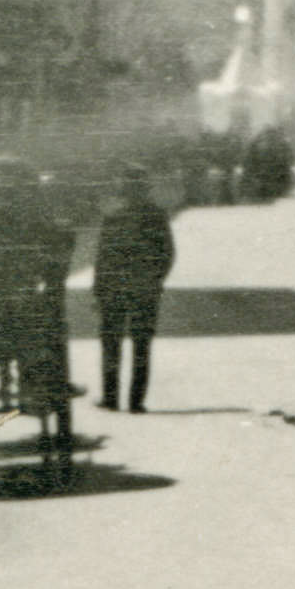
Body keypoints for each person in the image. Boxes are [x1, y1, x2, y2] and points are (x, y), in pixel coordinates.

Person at [93, 165, 177, 414]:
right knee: (142, 344)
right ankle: (136, 401)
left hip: (114, 288)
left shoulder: (114, 217)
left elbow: (103, 257)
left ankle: (110, 398)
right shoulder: (157, 216)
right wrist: (156, 280)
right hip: (145, 288)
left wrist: (99, 289)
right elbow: (168, 253)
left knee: (111, 343)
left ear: (124, 191)